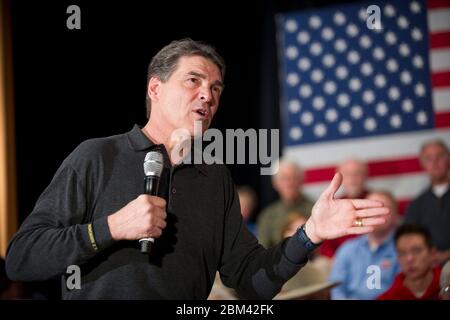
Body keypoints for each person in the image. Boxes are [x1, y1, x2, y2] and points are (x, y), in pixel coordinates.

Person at [5, 38, 389, 299]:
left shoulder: (214, 176)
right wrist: (110, 228)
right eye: (194, 81)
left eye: (217, 88)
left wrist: (310, 233)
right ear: (155, 88)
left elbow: (250, 281)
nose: (208, 95)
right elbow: (23, 258)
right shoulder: (96, 156)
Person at [329, 191, 400, 300]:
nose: (376, 213)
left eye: (383, 208)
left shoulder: (403, 250)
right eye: (371, 208)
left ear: (395, 216)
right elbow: (336, 288)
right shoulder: (347, 249)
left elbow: (403, 290)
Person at [404, 139, 450, 265]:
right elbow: (409, 241)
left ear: (448, 159)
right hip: (428, 270)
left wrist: (447, 255)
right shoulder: (415, 206)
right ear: (423, 164)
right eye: (429, 158)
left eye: (439, 156)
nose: (435, 162)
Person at [319, 158, 371, 259]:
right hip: (340, 262)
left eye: (357, 173)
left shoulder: (377, 201)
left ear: (365, 176)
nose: (353, 178)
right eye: (347, 174)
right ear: (340, 179)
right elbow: (326, 246)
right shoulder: (333, 206)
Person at [256, 159, 314, 248]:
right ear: (275, 183)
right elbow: (263, 250)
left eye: (294, 178)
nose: (289, 183)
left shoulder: (315, 209)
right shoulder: (268, 215)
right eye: (284, 179)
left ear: (301, 180)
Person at [378, 224, 441, 300]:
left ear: (432, 254)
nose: (409, 259)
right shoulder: (387, 297)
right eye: (402, 253)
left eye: (417, 250)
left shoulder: (446, 287)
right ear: (398, 258)